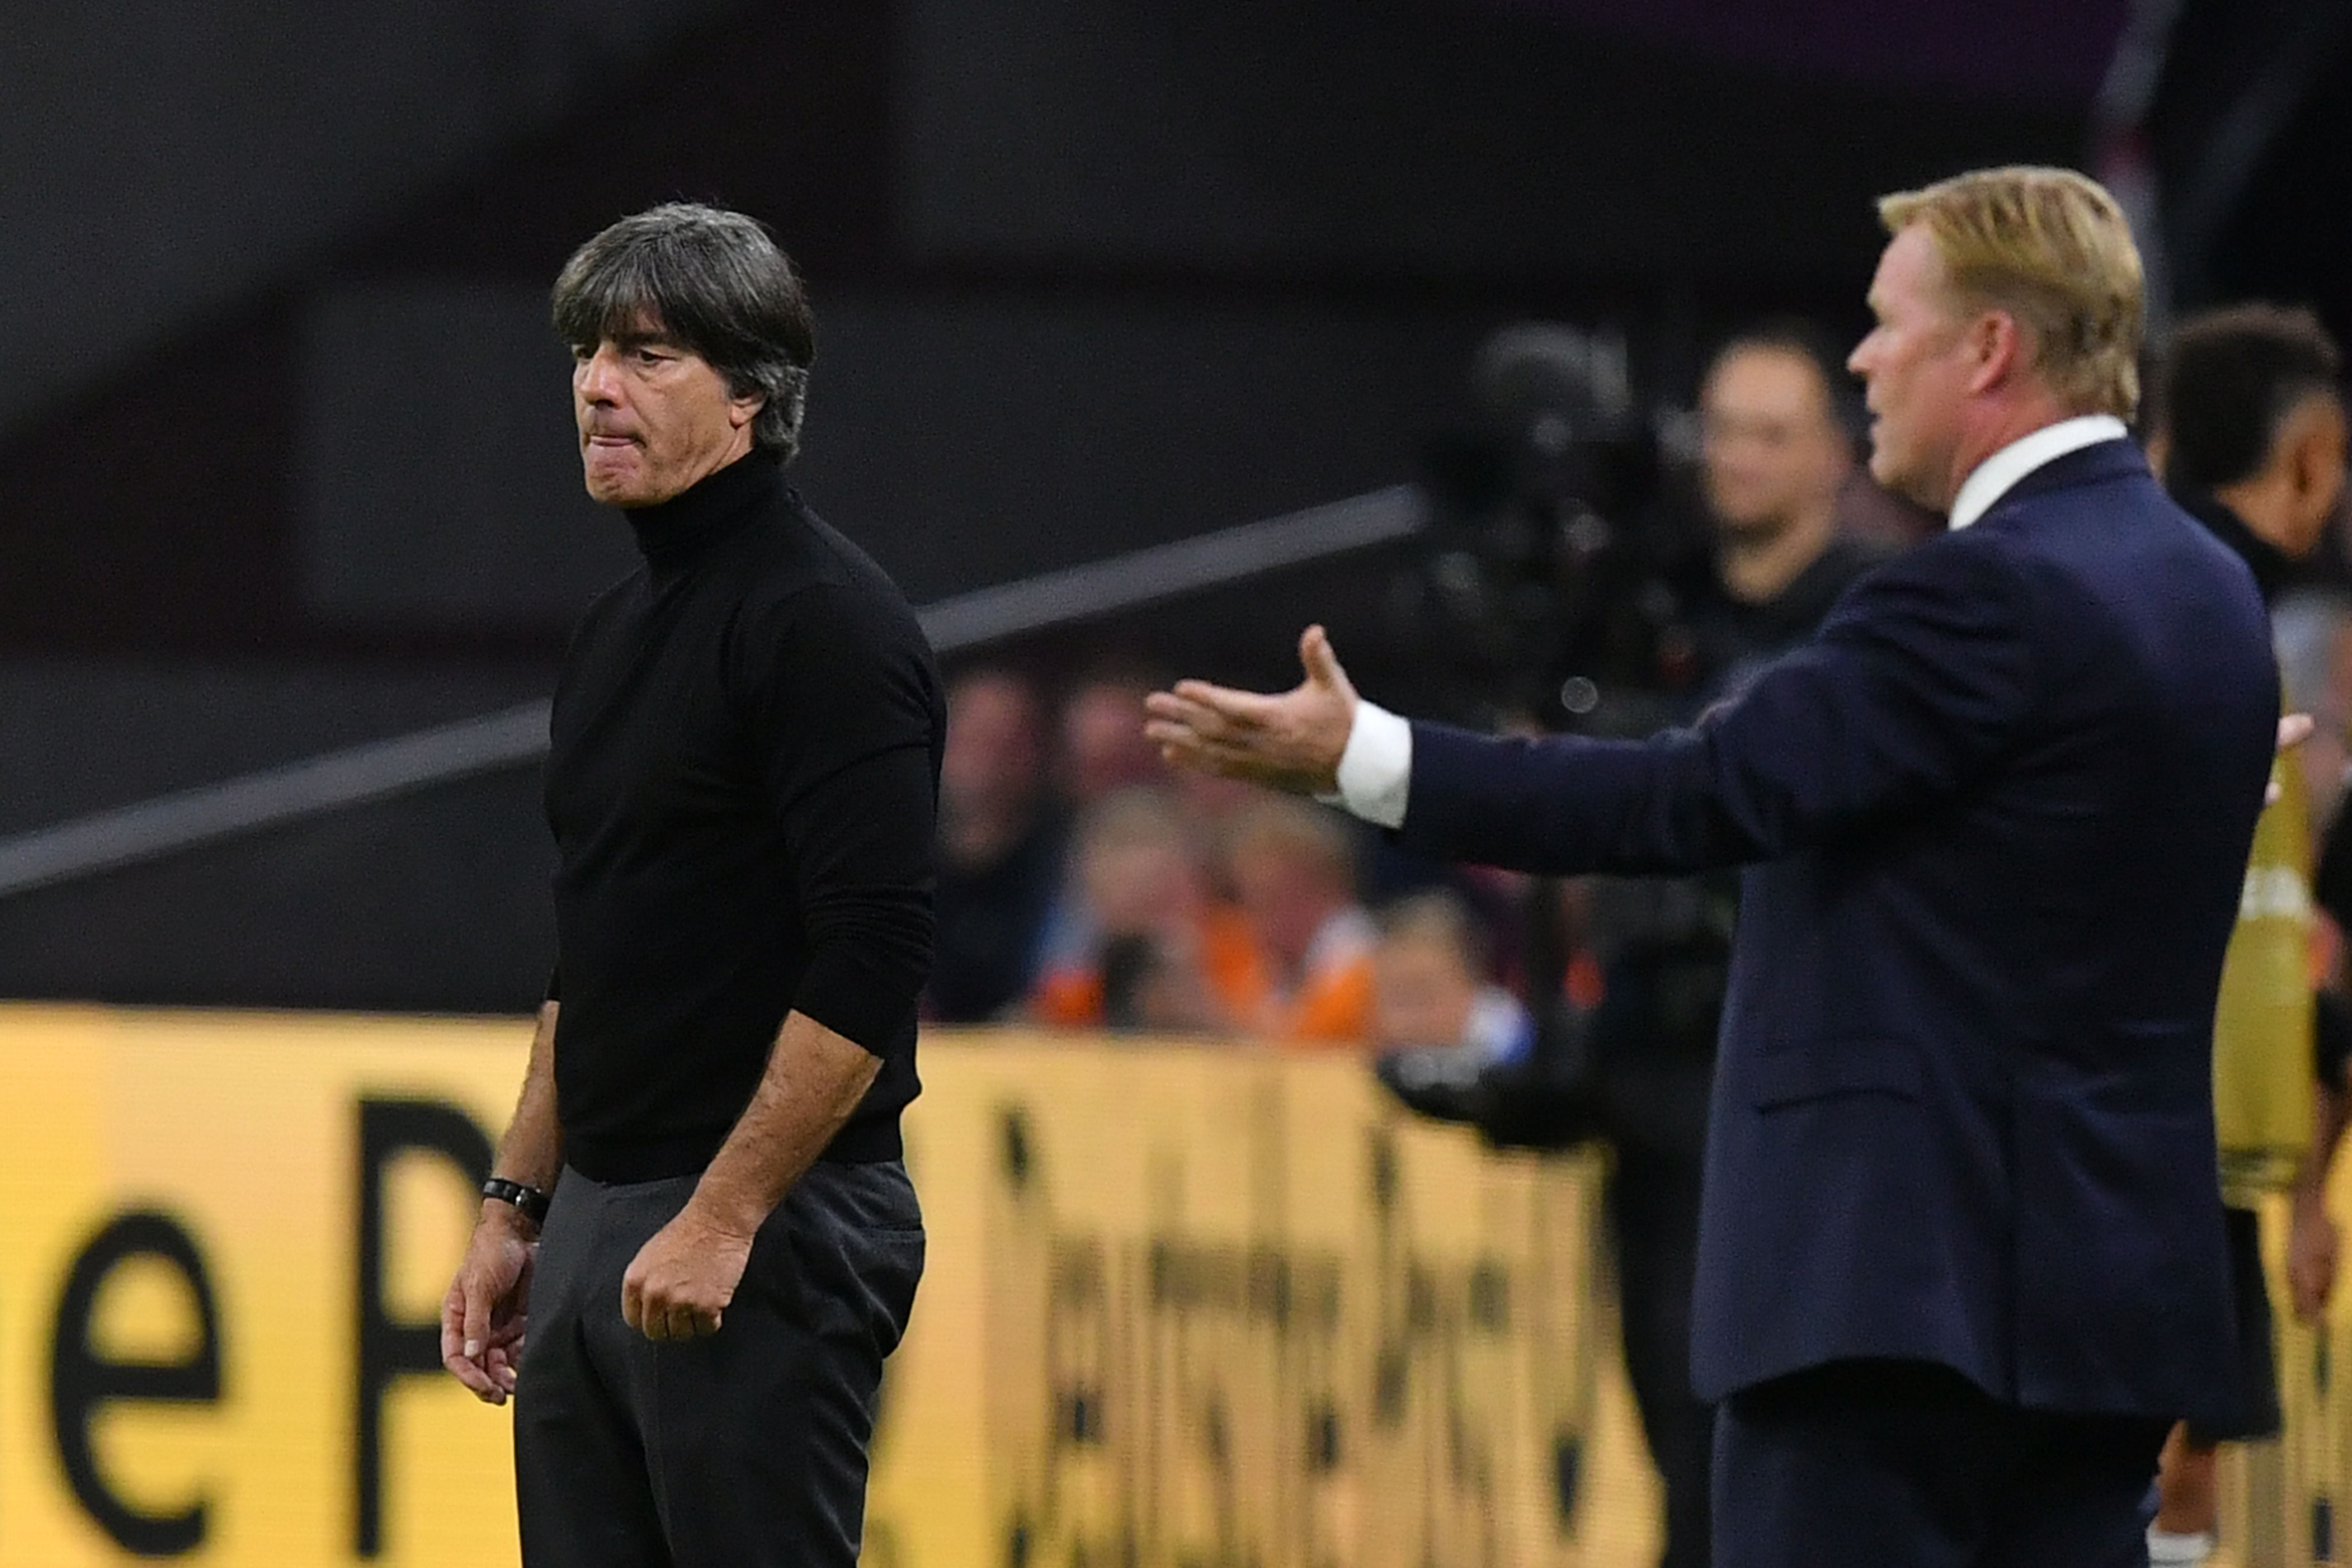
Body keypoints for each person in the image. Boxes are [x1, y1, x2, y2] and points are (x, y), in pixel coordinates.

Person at [1145, 166, 2281, 1567]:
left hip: (1891, 1314)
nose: (1861, 358)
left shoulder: (1975, 588)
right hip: (2105, 1317)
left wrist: (1362, 757)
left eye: (1886, 325)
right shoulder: (2205, 591)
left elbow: (1695, 792)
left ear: (1987, 349)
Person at [439, 204, 941, 1568]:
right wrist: (516, 1208)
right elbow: (589, 951)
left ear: (749, 401)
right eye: (589, 352)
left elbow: (874, 952)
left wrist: (723, 1215)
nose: (598, 385)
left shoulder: (826, 623)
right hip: (606, 1206)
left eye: (648, 354)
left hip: (765, 1218)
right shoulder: (613, 632)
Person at [2142, 302, 2349, 1568]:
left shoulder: (2214, 616)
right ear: (2307, 458)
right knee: (2151, 1444)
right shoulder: (2192, 615)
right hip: (2147, 1127)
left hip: (2191, 1128)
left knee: (2183, 1449)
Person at [930, 667, 1065, 1022]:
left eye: (1005, 742)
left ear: (1035, 752)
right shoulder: (896, 852)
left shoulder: (1065, 861)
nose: (986, 759)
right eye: (972, 738)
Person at [1223, 796, 1380, 1044]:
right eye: (1250, 902)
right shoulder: (1270, 969)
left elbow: (1311, 1048)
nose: (1257, 920)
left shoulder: (1371, 967)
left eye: (1270, 899)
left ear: (1321, 888)